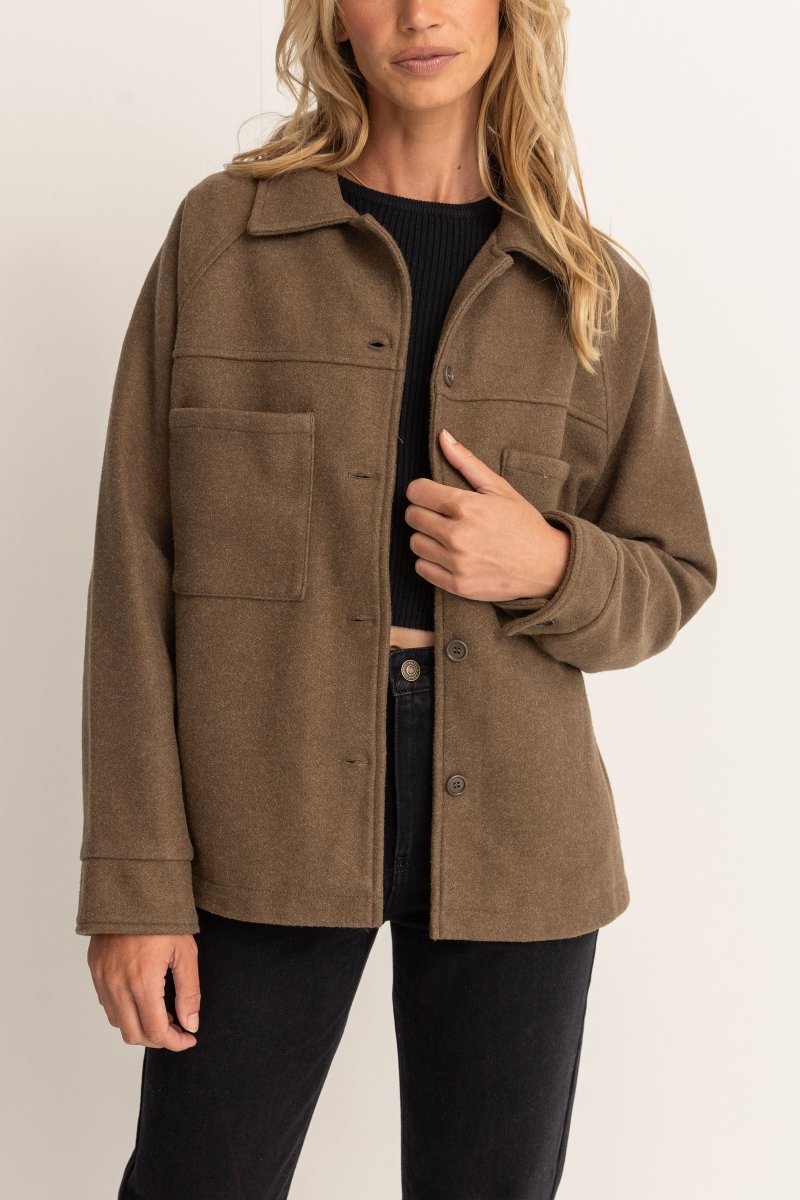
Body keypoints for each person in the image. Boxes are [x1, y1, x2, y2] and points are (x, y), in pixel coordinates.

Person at [76, 2, 717, 1197]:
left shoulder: (591, 290)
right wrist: (134, 881)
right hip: (259, 807)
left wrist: (551, 565)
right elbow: (133, 570)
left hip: (521, 831)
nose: (419, 13)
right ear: (331, 21)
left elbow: (671, 572)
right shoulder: (227, 240)